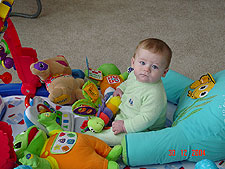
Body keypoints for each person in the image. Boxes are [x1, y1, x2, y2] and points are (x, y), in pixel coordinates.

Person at [86, 38, 172, 145]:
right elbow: (127, 83)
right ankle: (102, 118)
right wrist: (120, 88)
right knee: (108, 102)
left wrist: (125, 126)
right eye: (142, 63)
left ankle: (92, 137)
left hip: (142, 129)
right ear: (133, 62)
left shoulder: (155, 94)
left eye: (154, 66)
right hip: (125, 110)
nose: (146, 69)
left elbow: (146, 119)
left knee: (118, 138)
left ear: (164, 72)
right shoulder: (135, 74)